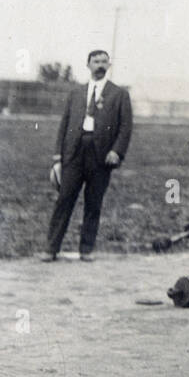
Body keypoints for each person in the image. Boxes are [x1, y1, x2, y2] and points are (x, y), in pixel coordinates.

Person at [41, 49, 133, 262]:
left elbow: (126, 127)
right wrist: (58, 157)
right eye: (96, 61)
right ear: (88, 65)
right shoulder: (76, 93)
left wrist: (116, 151)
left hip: (101, 156)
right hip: (74, 153)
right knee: (64, 199)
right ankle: (50, 248)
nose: (100, 65)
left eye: (104, 62)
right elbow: (64, 124)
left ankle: (86, 249)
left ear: (108, 66)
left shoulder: (119, 94)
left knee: (93, 203)